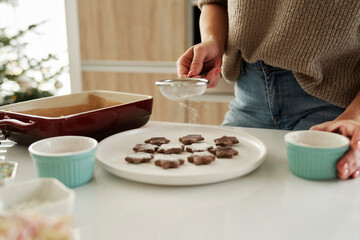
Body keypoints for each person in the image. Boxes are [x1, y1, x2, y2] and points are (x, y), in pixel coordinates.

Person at [176, 0, 360, 180]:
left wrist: (355, 116)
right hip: (249, 95)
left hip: (335, 108)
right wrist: (213, 40)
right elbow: (215, 2)